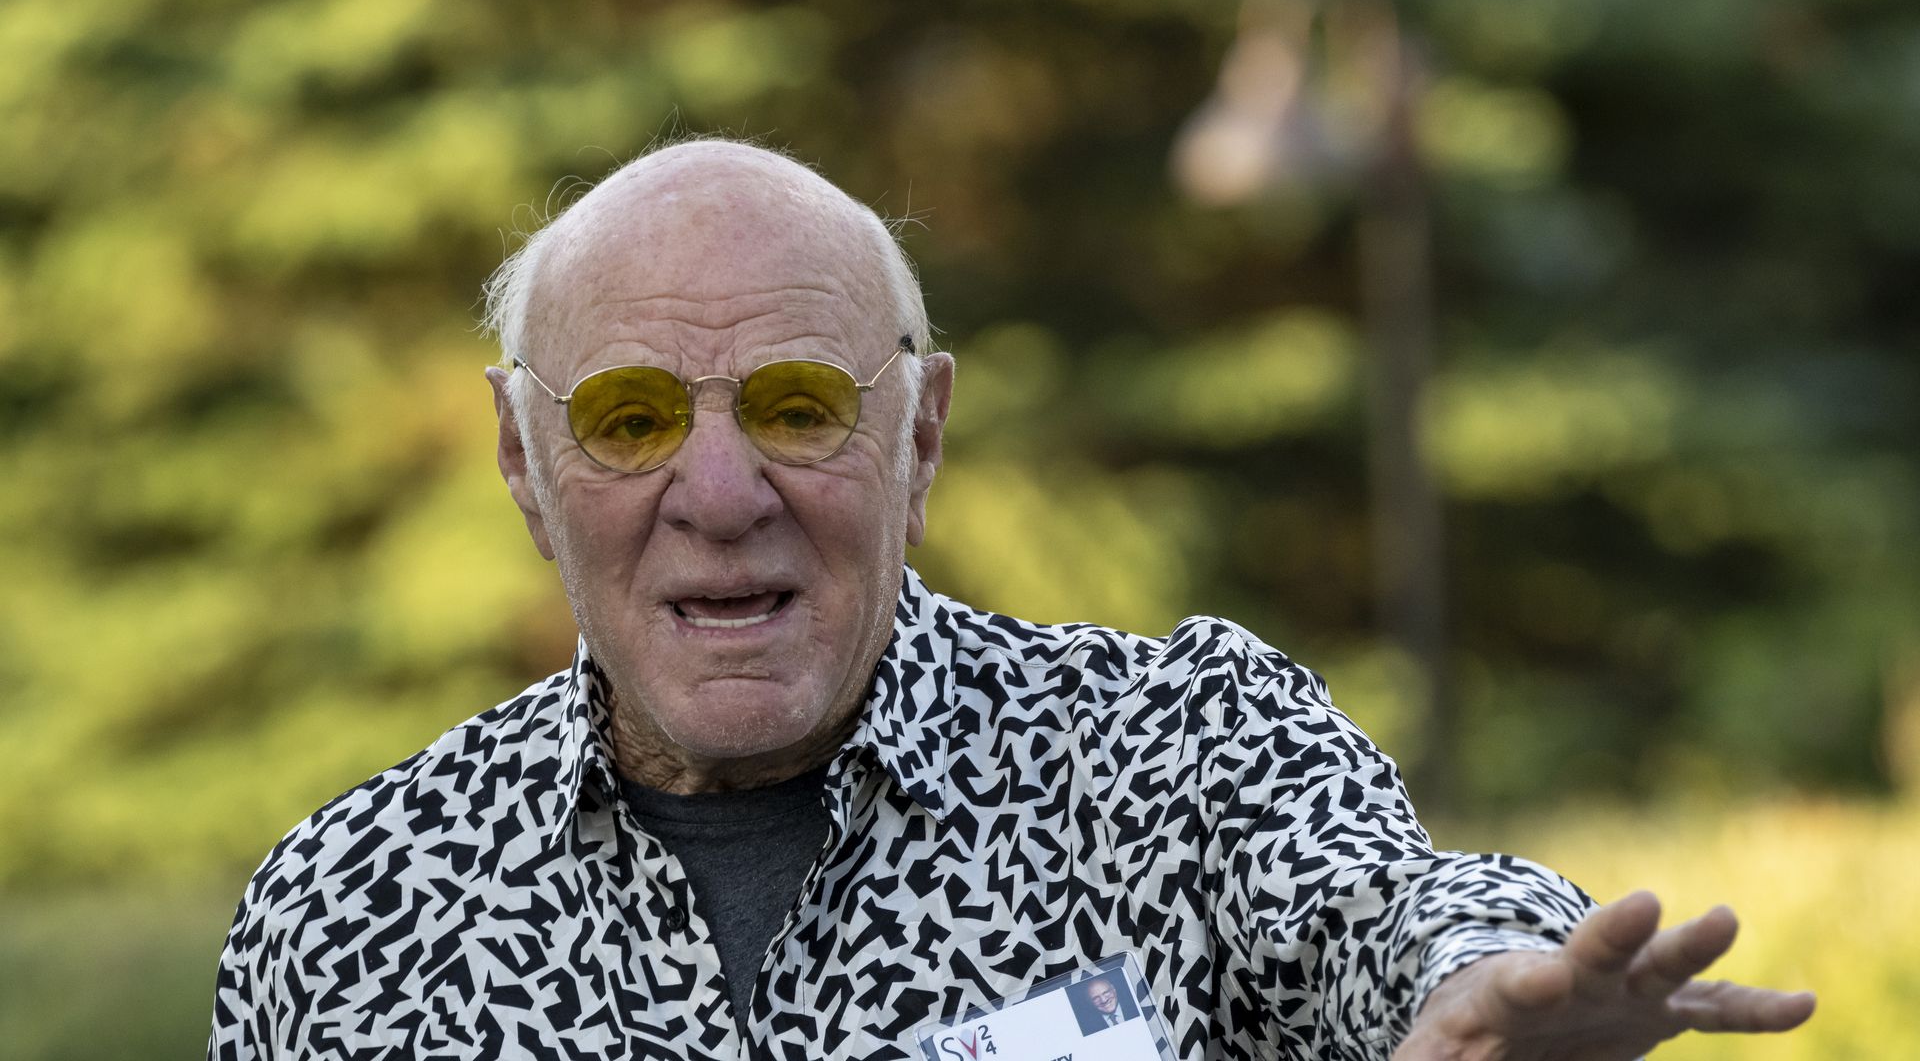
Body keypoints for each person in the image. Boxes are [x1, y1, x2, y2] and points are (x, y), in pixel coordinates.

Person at [208, 139, 1814, 1060]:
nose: (717, 495)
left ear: (924, 437)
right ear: (520, 460)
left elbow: (1382, 909)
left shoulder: (1171, 753)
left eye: (796, 406)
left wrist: (1483, 985)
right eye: (628, 419)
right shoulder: (349, 920)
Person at [1074, 976, 1140, 1034]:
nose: (1103, 1000)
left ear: (1114, 990)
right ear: (1090, 1002)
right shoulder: (1087, 1027)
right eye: (1095, 998)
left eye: (1106, 992)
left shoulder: (1136, 1007)